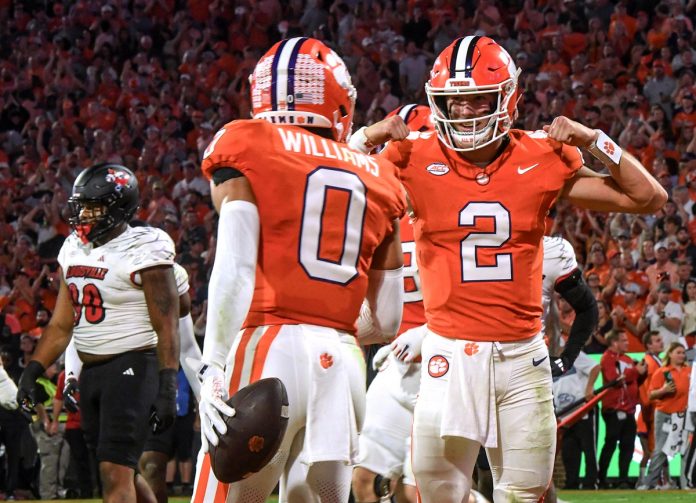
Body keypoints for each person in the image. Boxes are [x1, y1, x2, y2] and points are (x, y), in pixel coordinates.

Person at [350, 35, 666, 502]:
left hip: (521, 358)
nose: (464, 113)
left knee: (524, 494)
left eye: (477, 99)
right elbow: (332, 191)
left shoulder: (542, 155)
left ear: (509, 99)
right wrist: (363, 139)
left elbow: (649, 197)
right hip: (447, 354)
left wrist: (593, 139)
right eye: (453, 103)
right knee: (437, 494)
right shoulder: (411, 156)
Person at [192, 37, 405, 503]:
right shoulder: (380, 177)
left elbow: (235, 265)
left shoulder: (249, 143)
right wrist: (330, 330)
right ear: (338, 99)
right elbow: (388, 320)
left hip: (266, 345)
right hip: (345, 359)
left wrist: (212, 365)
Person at [355, 233, 598, 503]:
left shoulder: (547, 248)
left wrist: (566, 357)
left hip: (514, 368)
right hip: (442, 366)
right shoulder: (449, 237)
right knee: (468, 473)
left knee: (526, 482)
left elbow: (586, 307)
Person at [15, 163, 180, 503]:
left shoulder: (145, 247)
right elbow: (62, 323)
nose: (85, 215)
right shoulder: (73, 247)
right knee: (126, 475)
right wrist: (32, 370)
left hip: (133, 366)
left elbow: (167, 325)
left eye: (95, 207)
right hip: (94, 372)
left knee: (113, 475)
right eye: (82, 207)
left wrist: (167, 386)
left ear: (120, 208)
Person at [62, 261, 202, 503]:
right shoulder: (108, 277)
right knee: (123, 470)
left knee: (149, 466)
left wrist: (203, 395)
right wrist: (72, 376)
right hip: (116, 382)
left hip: (155, 385)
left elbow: (188, 347)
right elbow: (82, 332)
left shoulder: (168, 274)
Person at [597, 332, 647, 488]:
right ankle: (601, 478)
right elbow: (614, 380)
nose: (627, 343)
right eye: (623, 340)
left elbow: (636, 378)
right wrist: (635, 372)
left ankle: (623, 479)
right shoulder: (607, 358)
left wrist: (641, 374)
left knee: (628, 445)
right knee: (611, 443)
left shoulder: (627, 359)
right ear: (614, 342)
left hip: (629, 409)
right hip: (613, 409)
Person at [644, 342, 690, 489]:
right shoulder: (662, 372)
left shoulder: (690, 371)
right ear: (670, 354)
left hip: (684, 417)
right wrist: (663, 390)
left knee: (686, 450)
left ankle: (686, 484)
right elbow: (650, 395)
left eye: (683, 353)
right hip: (665, 415)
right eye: (678, 352)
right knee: (661, 450)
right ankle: (650, 484)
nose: (682, 355)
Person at [636, 331, 664, 487]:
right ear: (648, 345)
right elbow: (646, 390)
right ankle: (648, 482)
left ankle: (652, 481)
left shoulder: (656, 360)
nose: (661, 342)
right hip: (650, 412)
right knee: (652, 451)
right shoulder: (648, 362)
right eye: (657, 340)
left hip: (652, 411)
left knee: (654, 451)